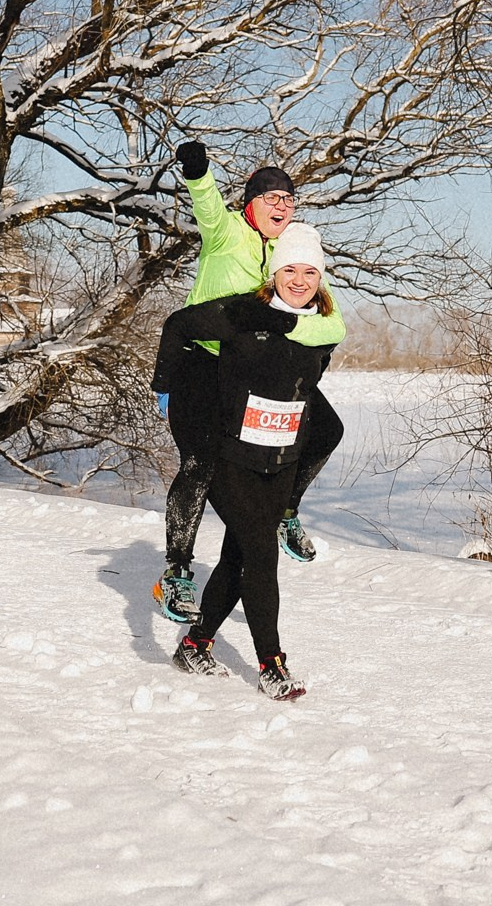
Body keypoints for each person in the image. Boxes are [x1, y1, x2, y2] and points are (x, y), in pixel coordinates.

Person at [152, 141, 346, 626]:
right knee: (200, 460)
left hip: (256, 368)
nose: (281, 204)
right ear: (250, 203)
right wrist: (198, 174)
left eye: (288, 198)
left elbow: (328, 318)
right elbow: (208, 207)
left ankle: (285, 511)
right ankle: (176, 572)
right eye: (270, 196)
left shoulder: (291, 251)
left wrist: (295, 334)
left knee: (325, 431)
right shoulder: (228, 233)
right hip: (203, 360)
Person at [159, 223, 338, 701]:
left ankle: (195, 645)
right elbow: (178, 326)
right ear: (274, 272)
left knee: (239, 556)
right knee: (261, 554)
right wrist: (170, 390)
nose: (299, 280)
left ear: (319, 278)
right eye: (289, 270)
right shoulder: (241, 313)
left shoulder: (321, 328)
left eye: (309, 272)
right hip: (227, 455)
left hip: (278, 460)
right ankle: (272, 664)